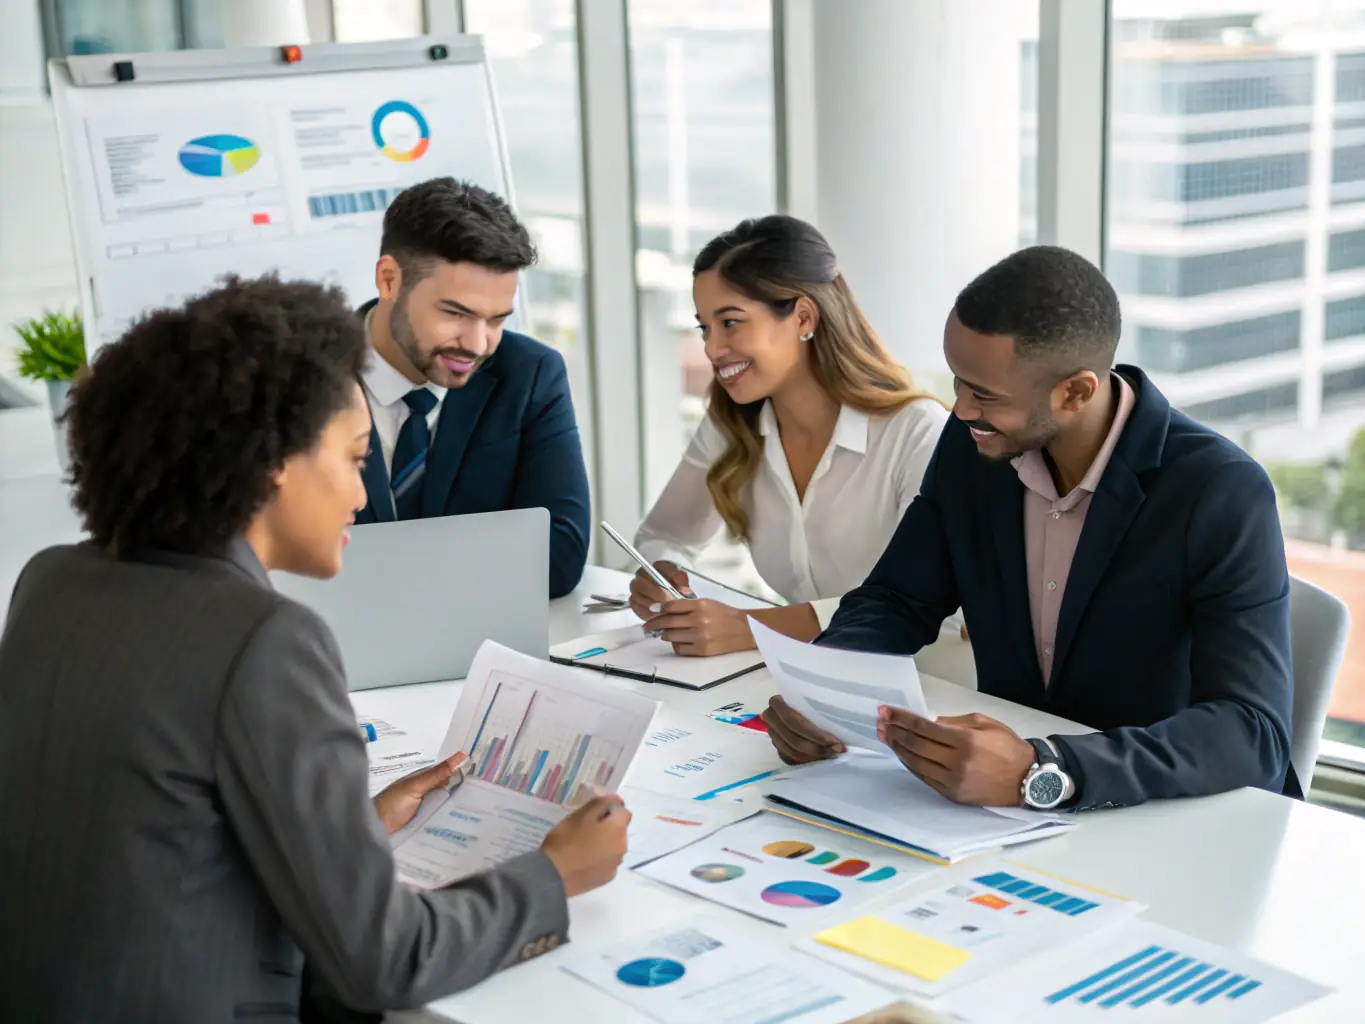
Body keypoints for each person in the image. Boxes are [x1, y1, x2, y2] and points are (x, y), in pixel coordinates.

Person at [0, 276, 630, 1022]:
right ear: (274, 461)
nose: (363, 496)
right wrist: (553, 874)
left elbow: (158, 823)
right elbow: (386, 960)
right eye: (353, 456)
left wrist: (349, 825)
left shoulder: (52, 581)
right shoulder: (264, 640)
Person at [761, 246, 1297, 812]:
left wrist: (1046, 770)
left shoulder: (1220, 490)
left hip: (1171, 815)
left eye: (984, 394)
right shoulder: (975, 446)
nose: (961, 409)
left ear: (1076, 392)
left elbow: (1251, 731)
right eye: (959, 383)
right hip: (1001, 817)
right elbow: (898, 597)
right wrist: (824, 690)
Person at [629, 215, 948, 656]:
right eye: (705, 327)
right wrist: (665, 575)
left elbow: (921, 604)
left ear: (802, 317)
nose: (711, 348)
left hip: (926, 682)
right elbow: (665, 537)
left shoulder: (916, 433)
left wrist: (749, 627)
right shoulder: (731, 423)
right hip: (807, 674)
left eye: (731, 322)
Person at [357, 177, 590, 598]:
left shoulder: (529, 374)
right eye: (456, 313)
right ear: (389, 280)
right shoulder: (295, 377)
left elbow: (560, 557)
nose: (478, 344)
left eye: (497, 319)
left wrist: (372, 563)